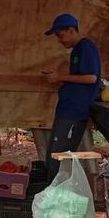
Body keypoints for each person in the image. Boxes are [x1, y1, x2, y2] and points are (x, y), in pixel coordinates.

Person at [42, 13, 101, 181]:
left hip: (75, 112)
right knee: (54, 154)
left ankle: (55, 193)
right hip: (68, 109)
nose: (60, 40)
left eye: (61, 36)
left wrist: (61, 77)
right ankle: (52, 191)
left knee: (60, 156)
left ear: (71, 30)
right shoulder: (77, 50)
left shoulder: (86, 47)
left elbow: (92, 78)